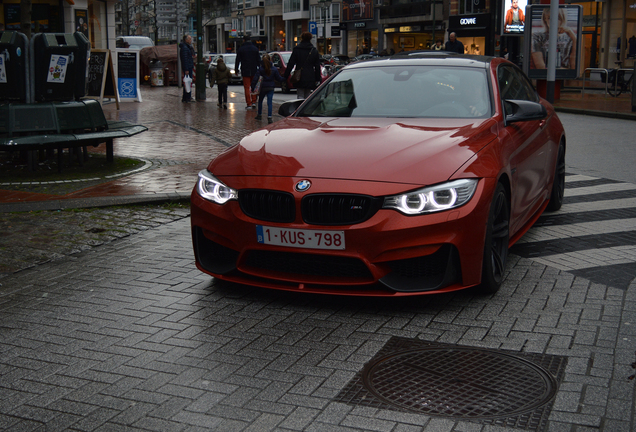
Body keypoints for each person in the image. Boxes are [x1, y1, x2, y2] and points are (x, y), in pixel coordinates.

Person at [284, 32, 321, 99]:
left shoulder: (297, 49)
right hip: (310, 75)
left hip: (299, 75)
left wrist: (285, 76)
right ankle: (306, 108)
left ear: (302, 38)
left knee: (300, 94)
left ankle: (300, 108)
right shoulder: (314, 50)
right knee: (308, 95)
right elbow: (317, 66)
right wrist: (317, 78)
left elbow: (291, 64)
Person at [251, 54, 285, 124]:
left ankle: (259, 114)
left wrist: (252, 87)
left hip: (263, 87)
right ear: (270, 60)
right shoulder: (274, 69)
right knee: (269, 102)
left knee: (260, 101)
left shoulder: (261, 69)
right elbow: (279, 78)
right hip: (271, 87)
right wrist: (285, 78)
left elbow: (255, 78)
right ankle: (269, 117)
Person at [235, 34, 261, 109]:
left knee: (247, 87)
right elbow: (258, 60)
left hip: (245, 70)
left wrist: (236, 69)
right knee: (254, 86)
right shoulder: (255, 49)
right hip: (254, 70)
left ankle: (248, 103)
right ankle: (254, 101)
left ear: (244, 40)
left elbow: (237, 60)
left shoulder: (241, 49)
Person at [179, 35, 195, 102]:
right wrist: (186, 69)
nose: (191, 40)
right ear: (186, 40)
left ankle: (187, 97)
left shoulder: (186, 47)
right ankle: (187, 97)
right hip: (188, 68)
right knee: (187, 83)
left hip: (188, 67)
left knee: (187, 82)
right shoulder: (185, 48)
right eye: (190, 39)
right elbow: (185, 59)